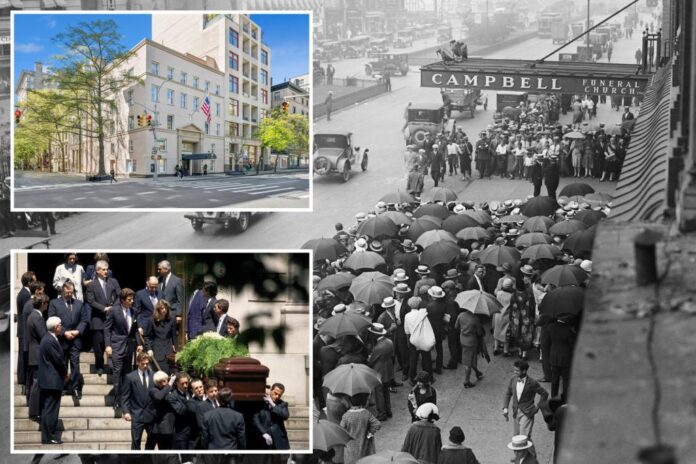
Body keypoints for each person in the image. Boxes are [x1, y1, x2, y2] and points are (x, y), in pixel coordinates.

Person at [48, 281, 90, 400]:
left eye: (71, 292)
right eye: (67, 293)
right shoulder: (54, 303)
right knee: (62, 363)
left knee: (75, 364)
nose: (69, 295)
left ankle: (75, 388)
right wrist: (64, 332)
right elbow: (52, 320)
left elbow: (84, 320)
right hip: (61, 340)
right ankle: (62, 386)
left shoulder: (79, 304)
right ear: (62, 291)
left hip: (75, 339)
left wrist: (77, 331)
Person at [105, 288, 143, 412]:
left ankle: (126, 401)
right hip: (116, 345)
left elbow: (135, 330)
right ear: (122, 300)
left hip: (129, 346)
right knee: (117, 372)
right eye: (129, 299)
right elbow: (107, 329)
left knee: (127, 374)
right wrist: (108, 345)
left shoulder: (134, 311)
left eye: (132, 299)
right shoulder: (113, 311)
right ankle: (117, 400)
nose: (132, 301)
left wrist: (138, 344)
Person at [85, 259, 121, 376]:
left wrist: (113, 307)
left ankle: (111, 365)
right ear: (97, 271)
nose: (106, 271)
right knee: (98, 345)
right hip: (98, 318)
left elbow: (120, 296)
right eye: (104, 270)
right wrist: (103, 308)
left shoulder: (113, 282)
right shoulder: (92, 285)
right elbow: (91, 301)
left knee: (111, 343)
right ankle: (99, 366)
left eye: (107, 269)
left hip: (111, 317)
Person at [39, 316, 67, 445]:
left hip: (50, 380)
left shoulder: (49, 338)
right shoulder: (49, 340)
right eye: (60, 325)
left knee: (49, 408)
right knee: (51, 409)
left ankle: (48, 435)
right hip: (52, 380)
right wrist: (66, 371)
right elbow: (58, 359)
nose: (62, 326)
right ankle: (48, 436)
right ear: (56, 327)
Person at [502, 360, 549, 438]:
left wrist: (537, 407)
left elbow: (544, 394)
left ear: (524, 371)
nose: (515, 372)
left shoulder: (532, 383)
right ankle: (528, 450)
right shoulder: (513, 379)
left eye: (517, 370)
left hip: (527, 412)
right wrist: (505, 408)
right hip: (516, 412)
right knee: (516, 438)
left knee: (523, 438)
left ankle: (525, 450)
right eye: (514, 370)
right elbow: (508, 393)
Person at [121, 352, 156, 450]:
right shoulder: (130, 377)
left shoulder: (153, 376)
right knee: (136, 442)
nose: (145, 366)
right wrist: (126, 412)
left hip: (151, 414)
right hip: (137, 414)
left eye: (147, 363)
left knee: (151, 442)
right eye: (143, 363)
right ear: (137, 363)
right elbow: (125, 396)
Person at [25, 294, 49, 421]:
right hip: (37, 354)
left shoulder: (32, 316)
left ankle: (35, 410)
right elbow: (43, 336)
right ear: (42, 304)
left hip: (34, 354)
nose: (47, 305)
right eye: (46, 303)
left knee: (36, 382)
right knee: (37, 384)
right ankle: (34, 411)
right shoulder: (37, 317)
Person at [340, 394, 380, 464]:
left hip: (350, 448)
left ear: (350, 402)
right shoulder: (366, 413)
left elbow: (340, 430)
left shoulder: (346, 416)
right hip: (365, 446)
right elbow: (377, 424)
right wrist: (370, 433)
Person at [366, 323, 394, 421]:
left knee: (379, 393)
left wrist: (369, 358)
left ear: (376, 335)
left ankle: (382, 413)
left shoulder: (378, 347)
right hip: (388, 370)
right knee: (386, 392)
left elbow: (371, 361)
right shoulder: (389, 342)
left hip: (379, 372)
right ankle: (388, 410)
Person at [253, 383, 290, 450]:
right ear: (271, 390)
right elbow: (256, 420)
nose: (277, 397)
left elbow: (285, 416)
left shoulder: (283, 404)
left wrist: (272, 404)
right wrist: (264, 433)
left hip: (279, 440)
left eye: (279, 395)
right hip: (263, 438)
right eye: (275, 393)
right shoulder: (260, 403)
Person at [144, 299, 177, 374]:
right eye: (162, 308)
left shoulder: (172, 320)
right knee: (158, 373)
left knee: (169, 372)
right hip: (157, 350)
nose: (164, 310)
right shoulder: (152, 320)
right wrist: (149, 348)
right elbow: (147, 336)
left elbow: (173, 335)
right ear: (158, 309)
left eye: (166, 308)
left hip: (168, 350)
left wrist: (175, 346)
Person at [454, 307, 485, 388]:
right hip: (472, 342)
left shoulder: (460, 315)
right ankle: (466, 381)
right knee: (468, 362)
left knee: (472, 358)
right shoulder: (475, 319)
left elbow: (456, 327)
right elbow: (479, 332)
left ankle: (477, 372)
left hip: (463, 340)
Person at [148, 370, 176, 450]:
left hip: (172, 425)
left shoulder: (169, 389)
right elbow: (159, 397)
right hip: (162, 427)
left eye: (166, 380)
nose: (165, 382)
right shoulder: (153, 390)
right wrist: (169, 384)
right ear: (157, 382)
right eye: (162, 381)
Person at [168, 371, 193, 449]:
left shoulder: (191, 393)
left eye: (186, 383)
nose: (185, 385)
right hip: (180, 433)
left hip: (192, 432)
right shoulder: (173, 396)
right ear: (177, 383)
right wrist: (192, 402)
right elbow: (180, 411)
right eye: (182, 383)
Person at [158, 260, 185, 326]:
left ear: (166, 269)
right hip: (159, 313)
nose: (158, 271)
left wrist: (178, 314)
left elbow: (180, 299)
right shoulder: (158, 280)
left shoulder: (177, 281)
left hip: (172, 313)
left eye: (159, 269)